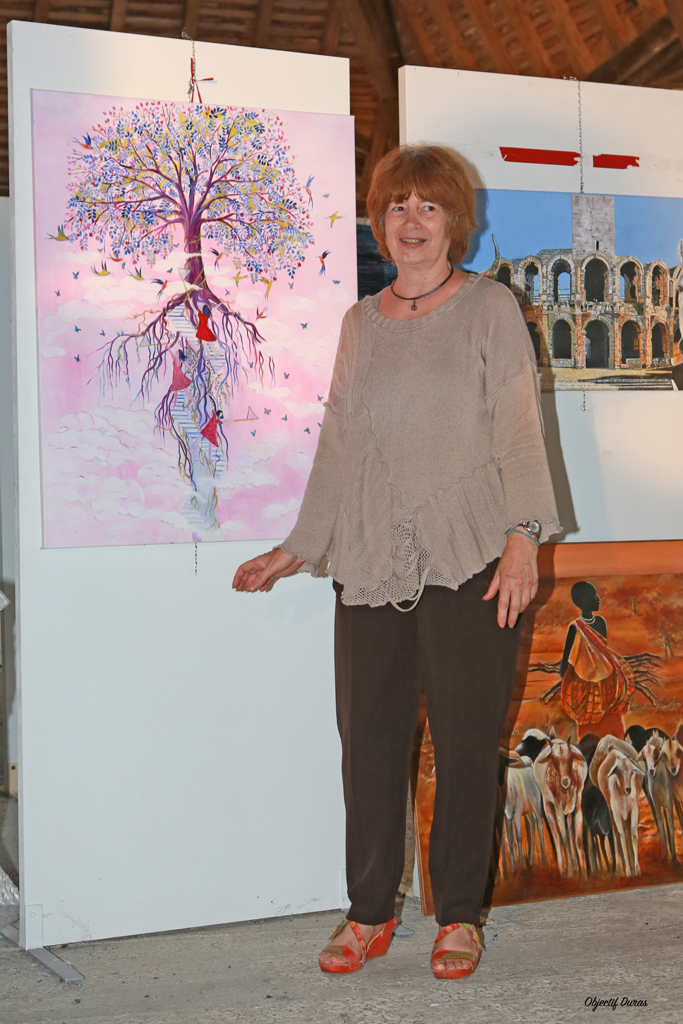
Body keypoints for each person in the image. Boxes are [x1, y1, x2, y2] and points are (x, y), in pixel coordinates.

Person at [232, 144, 560, 979]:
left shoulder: (490, 309)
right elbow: (338, 442)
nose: (411, 221)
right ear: (379, 223)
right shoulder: (359, 324)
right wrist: (299, 546)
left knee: (464, 742)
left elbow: (519, 431)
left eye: (429, 206)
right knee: (368, 742)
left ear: (455, 222)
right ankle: (368, 911)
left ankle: (459, 916)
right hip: (370, 558)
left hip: (472, 557)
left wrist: (523, 536)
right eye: (396, 206)